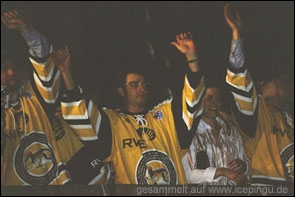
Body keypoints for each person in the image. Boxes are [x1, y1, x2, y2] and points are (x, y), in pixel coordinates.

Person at [60, 32, 205, 185]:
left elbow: (192, 101)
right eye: (134, 85)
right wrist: (66, 73)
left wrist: (191, 57)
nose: (141, 89)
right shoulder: (112, 122)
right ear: (121, 91)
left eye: (144, 84)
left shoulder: (164, 116)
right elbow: (81, 114)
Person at [1, 10, 84, 185]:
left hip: (54, 185)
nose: (10, 73)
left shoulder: (38, 96)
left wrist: (26, 30)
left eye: (14, 67)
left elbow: (43, 58)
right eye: (4, 69)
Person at [224, 3, 294, 185]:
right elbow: (239, 79)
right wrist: (237, 37)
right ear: (267, 83)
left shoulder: (286, 114)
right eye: (283, 81)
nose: (288, 86)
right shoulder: (255, 109)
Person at [181, 84, 249, 185]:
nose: (215, 103)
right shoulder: (191, 134)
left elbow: (246, 162)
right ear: (199, 101)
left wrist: (243, 166)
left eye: (218, 98)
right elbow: (188, 175)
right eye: (209, 98)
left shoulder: (231, 130)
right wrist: (221, 171)